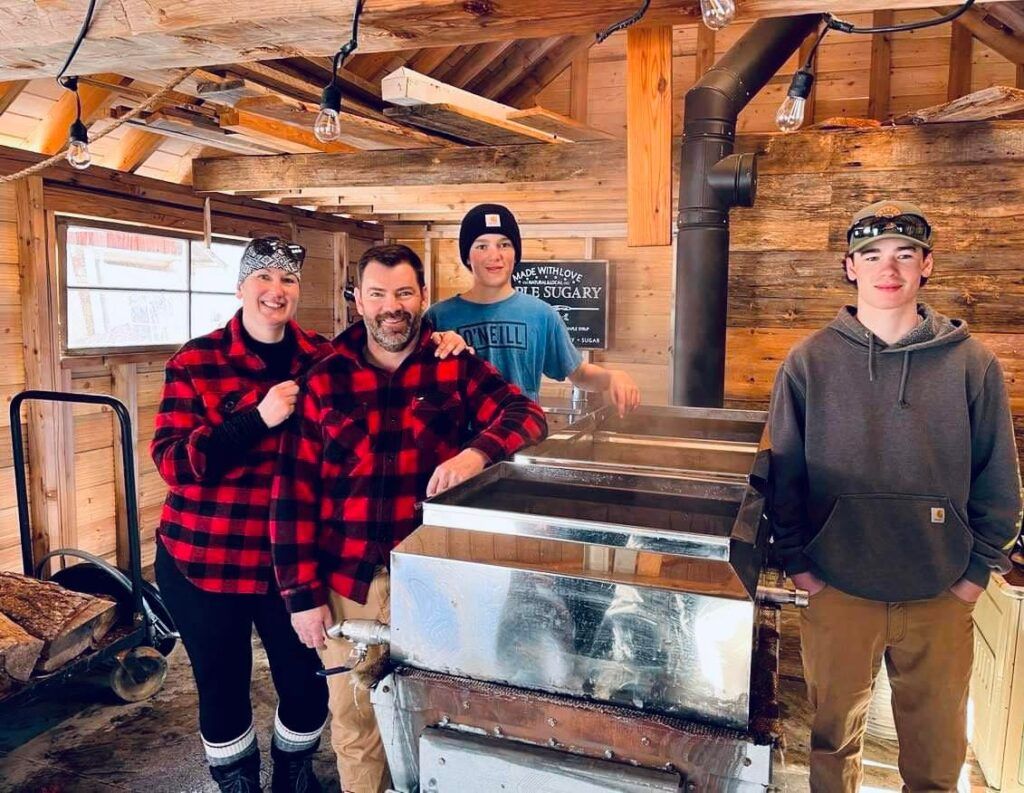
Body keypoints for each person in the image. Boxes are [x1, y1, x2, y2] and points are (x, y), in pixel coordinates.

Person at [152, 237, 468, 793]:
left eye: (288, 280)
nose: (276, 290)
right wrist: (255, 419)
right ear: (241, 288)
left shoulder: (320, 356)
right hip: (207, 557)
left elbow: (386, 341)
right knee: (222, 687)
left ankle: (293, 773)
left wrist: (439, 339)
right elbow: (173, 463)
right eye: (263, 278)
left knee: (307, 684)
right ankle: (239, 784)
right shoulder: (196, 361)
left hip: (294, 560)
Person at [270, 243, 547, 793]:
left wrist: (476, 454)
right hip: (348, 585)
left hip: (436, 579)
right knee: (356, 727)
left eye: (403, 293)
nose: (390, 307)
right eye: (377, 294)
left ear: (423, 296)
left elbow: (528, 414)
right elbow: (293, 492)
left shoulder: (454, 364)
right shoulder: (323, 377)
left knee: (444, 716)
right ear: (358, 301)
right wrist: (300, 596)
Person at [768, 200, 1022, 791]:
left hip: (941, 590)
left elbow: (999, 479)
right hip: (837, 589)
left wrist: (975, 574)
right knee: (831, 744)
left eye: (905, 255)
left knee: (937, 757)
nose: (889, 268)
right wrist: (800, 565)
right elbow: (783, 476)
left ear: (926, 265)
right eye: (872, 255)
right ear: (850, 267)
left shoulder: (973, 364)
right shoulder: (808, 362)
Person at [425, 203, 641, 416]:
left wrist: (612, 377)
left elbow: (579, 373)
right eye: (482, 246)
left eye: (504, 244)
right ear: (467, 256)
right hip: (458, 438)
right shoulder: (438, 317)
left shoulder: (542, 315)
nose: (495, 255)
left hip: (521, 434)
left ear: (515, 254)